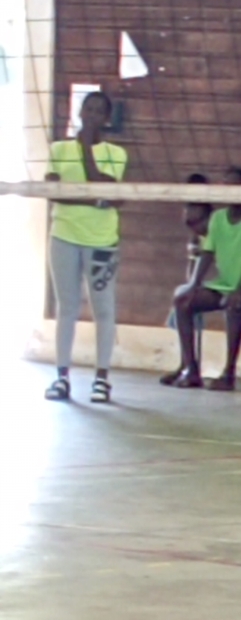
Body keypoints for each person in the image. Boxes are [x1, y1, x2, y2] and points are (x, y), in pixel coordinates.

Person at [43, 90, 127, 404]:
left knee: (103, 309)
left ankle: (101, 379)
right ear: (79, 112)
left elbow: (104, 188)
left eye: (98, 112)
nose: (91, 115)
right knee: (67, 307)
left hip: (101, 240)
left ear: (106, 119)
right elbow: (54, 191)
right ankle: (61, 377)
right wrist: (94, 199)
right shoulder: (59, 149)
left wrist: (86, 148)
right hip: (64, 236)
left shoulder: (115, 153)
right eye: (87, 109)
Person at [161, 167, 241, 390]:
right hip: (224, 284)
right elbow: (207, 253)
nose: (231, 191)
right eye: (226, 186)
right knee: (183, 301)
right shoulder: (218, 218)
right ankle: (191, 369)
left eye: (236, 185)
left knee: (233, 304)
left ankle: (228, 373)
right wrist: (193, 284)